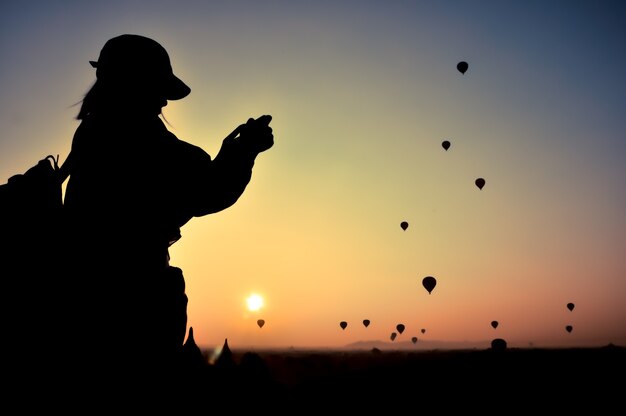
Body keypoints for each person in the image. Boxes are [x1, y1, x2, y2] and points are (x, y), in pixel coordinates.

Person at [57, 34, 274, 398]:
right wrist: (244, 151)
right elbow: (205, 189)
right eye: (157, 89)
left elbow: (192, 182)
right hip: (129, 306)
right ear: (132, 83)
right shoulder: (131, 135)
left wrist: (231, 154)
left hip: (90, 303)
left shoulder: (96, 130)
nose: (162, 101)